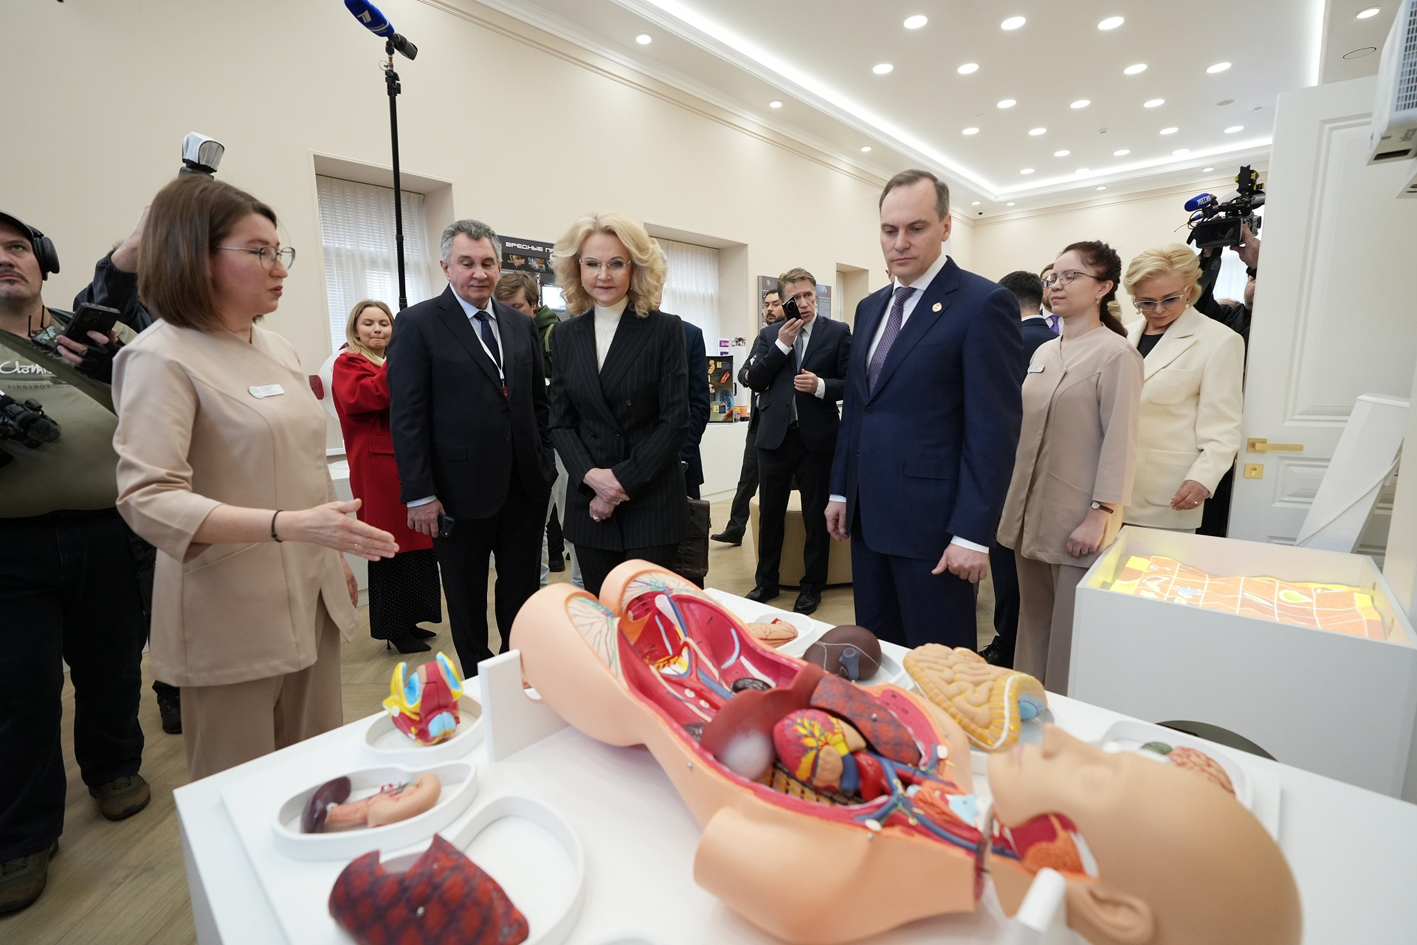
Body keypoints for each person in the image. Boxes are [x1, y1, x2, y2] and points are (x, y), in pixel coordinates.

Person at [112, 175, 397, 781]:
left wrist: (333, 555)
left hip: (310, 588)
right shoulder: (160, 356)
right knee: (240, 785)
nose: (279, 268)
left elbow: (306, 465)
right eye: (259, 252)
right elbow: (148, 499)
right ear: (194, 256)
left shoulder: (278, 348)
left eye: (279, 251)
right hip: (229, 602)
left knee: (318, 770)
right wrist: (287, 526)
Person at [0, 211, 150, 915]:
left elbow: (160, 400)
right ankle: (23, 835)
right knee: (18, 690)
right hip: (11, 545)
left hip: (106, 529)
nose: (6, 259)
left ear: (44, 260)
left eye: (17, 247)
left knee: (113, 663)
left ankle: (115, 767)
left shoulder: (95, 332)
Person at [826, 170, 1023, 649]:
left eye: (916, 228)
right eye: (889, 230)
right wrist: (841, 490)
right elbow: (859, 409)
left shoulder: (983, 304)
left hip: (935, 529)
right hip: (869, 520)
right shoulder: (870, 308)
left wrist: (973, 534)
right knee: (877, 652)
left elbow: (993, 432)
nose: (900, 243)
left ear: (946, 226)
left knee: (938, 661)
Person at [387, 221, 555, 676]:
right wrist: (420, 493)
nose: (479, 273)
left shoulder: (520, 325)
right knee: (466, 601)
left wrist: (544, 463)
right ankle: (482, 686)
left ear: (499, 266)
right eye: (467, 263)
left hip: (524, 488)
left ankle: (520, 677)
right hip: (455, 494)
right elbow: (407, 416)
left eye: (487, 263)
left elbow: (538, 404)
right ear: (446, 267)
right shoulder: (418, 324)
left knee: (521, 597)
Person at [997, 241, 1143, 695]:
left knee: (1069, 635)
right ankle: (1025, 703)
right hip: (1029, 513)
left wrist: (1100, 512)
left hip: (1078, 517)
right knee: (1032, 622)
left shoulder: (1117, 355)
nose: (1056, 285)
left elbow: (1121, 441)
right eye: (1052, 277)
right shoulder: (1043, 352)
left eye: (1070, 276)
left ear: (1103, 287)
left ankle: (1065, 717)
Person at [546, 211, 689, 597]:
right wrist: (593, 479)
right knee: (604, 618)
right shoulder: (565, 335)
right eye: (592, 263)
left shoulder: (664, 329)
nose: (603, 275)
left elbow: (675, 421)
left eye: (615, 264)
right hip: (589, 504)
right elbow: (560, 422)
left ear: (635, 267)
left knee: (647, 619)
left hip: (650, 502)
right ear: (577, 268)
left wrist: (619, 482)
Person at [331, 299, 442, 653]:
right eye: (369, 323)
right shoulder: (348, 362)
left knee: (417, 542)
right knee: (389, 545)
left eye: (384, 323)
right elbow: (367, 398)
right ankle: (394, 627)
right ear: (355, 328)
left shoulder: (386, 361)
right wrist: (402, 358)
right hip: (376, 467)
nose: (377, 329)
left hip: (406, 462)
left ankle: (412, 619)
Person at [746, 268, 851, 615]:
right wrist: (782, 345)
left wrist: (821, 386)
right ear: (784, 301)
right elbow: (755, 379)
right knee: (770, 515)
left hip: (817, 439)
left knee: (816, 517)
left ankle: (812, 586)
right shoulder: (769, 335)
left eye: (808, 295)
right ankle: (767, 582)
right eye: (795, 298)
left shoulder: (837, 332)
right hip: (774, 438)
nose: (803, 303)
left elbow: (852, 382)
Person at [1120, 245, 1245, 532]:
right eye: (1146, 302)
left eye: (1170, 299)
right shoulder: (1122, 334)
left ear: (1189, 290)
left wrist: (1203, 478)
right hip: (1108, 491)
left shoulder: (1219, 341)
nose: (1158, 310)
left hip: (1166, 491)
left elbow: (1224, 427)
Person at [982, 270, 1056, 668]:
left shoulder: (1007, 343)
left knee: (1007, 564)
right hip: (1052, 474)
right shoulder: (1058, 343)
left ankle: (1007, 642)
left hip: (1008, 469)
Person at [495, 272, 571, 583]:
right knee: (529, 531)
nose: (509, 315)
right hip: (525, 447)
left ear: (534, 305)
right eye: (502, 308)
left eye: (516, 307)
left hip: (563, 445)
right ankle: (534, 597)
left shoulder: (558, 335)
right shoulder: (497, 340)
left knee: (573, 526)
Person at [712, 289, 784, 545]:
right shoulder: (763, 338)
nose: (769, 309)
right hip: (758, 422)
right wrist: (749, 376)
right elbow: (745, 372)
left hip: (783, 424)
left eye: (775, 304)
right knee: (747, 478)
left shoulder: (794, 338)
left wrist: (758, 374)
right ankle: (735, 528)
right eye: (766, 304)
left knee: (782, 484)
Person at [1038, 262, 1060, 334]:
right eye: (1048, 283)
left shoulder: (1081, 321)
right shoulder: (1030, 323)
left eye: (1060, 282)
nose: (1054, 288)